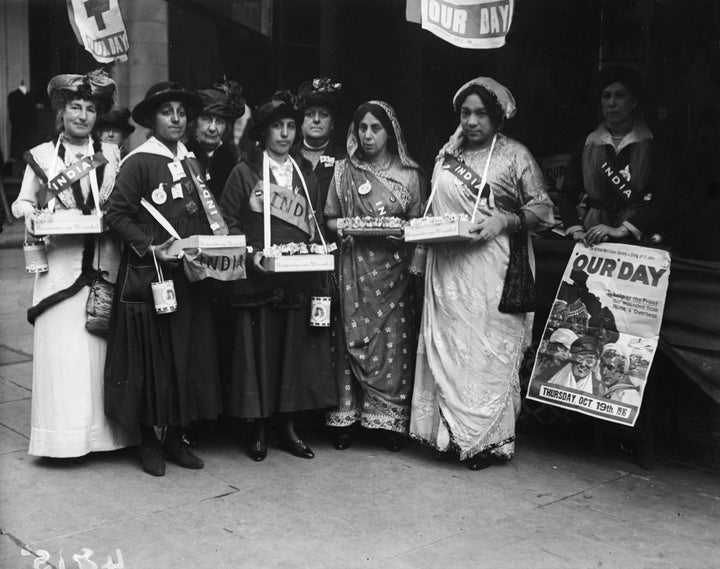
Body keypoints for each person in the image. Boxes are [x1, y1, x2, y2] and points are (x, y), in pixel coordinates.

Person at [409, 77, 554, 470]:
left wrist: (505, 220)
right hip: (447, 267)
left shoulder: (514, 155)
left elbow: (544, 210)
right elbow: (432, 206)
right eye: (465, 113)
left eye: (481, 114)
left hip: (493, 266)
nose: (472, 121)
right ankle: (448, 437)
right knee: (451, 347)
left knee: (485, 350)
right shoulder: (446, 155)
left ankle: (486, 441)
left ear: (497, 117)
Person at [11, 70, 136, 458]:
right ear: (61, 111)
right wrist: (33, 217)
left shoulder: (112, 156)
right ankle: (61, 440)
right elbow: (22, 202)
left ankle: (102, 438)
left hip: (100, 262)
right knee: (63, 353)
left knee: (97, 352)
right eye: (74, 107)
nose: (82, 115)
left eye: (89, 108)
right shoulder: (44, 156)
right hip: (58, 266)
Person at [104, 81, 223, 476]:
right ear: (152, 120)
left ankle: (175, 437)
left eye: (181, 112)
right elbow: (116, 216)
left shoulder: (192, 160)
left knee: (184, 356)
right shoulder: (138, 161)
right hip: (149, 274)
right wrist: (150, 247)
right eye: (167, 112)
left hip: (187, 274)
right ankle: (148, 441)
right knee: (150, 358)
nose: (176, 119)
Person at [219, 90, 338, 461]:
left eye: (290, 126)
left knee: (292, 353)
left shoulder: (305, 175)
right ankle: (257, 426)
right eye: (277, 127)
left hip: (296, 278)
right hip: (258, 278)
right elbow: (227, 222)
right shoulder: (245, 171)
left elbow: (315, 221)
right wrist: (251, 253)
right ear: (264, 133)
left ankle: (287, 426)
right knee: (259, 353)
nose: (285, 134)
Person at [324, 100, 425, 452]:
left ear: (390, 131)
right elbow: (331, 219)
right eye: (362, 128)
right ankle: (346, 418)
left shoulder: (410, 176)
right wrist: (344, 229)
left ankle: (388, 421)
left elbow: (418, 225)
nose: (368, 136)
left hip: (393, 274)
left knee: (391, 343)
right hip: (355, 269)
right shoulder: (343, 171)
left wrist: (405, 233)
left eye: (375, 128)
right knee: (349, 337)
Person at [559, 67, 671, 246]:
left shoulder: (651, 144)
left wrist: (622, 230)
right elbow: (567, 196)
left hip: (635, 237)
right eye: (606, 96)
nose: (612, 103)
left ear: (634, 101)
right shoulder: (588, 144)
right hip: (591, 237)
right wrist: (576, 230)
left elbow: (663, 200)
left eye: (620, 95)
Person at [187, 79, 246, 200]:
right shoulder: (181, 155)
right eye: (206, 119)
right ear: (195, 123)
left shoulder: (235, 160)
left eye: (219, 121)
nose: (213, 128)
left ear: (226, 128)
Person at [296, 77, 345, 206]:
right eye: (310, 114)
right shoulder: (287, 156)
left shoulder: (344, 160)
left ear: (332, 123)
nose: (316, 120)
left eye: (323, 114)